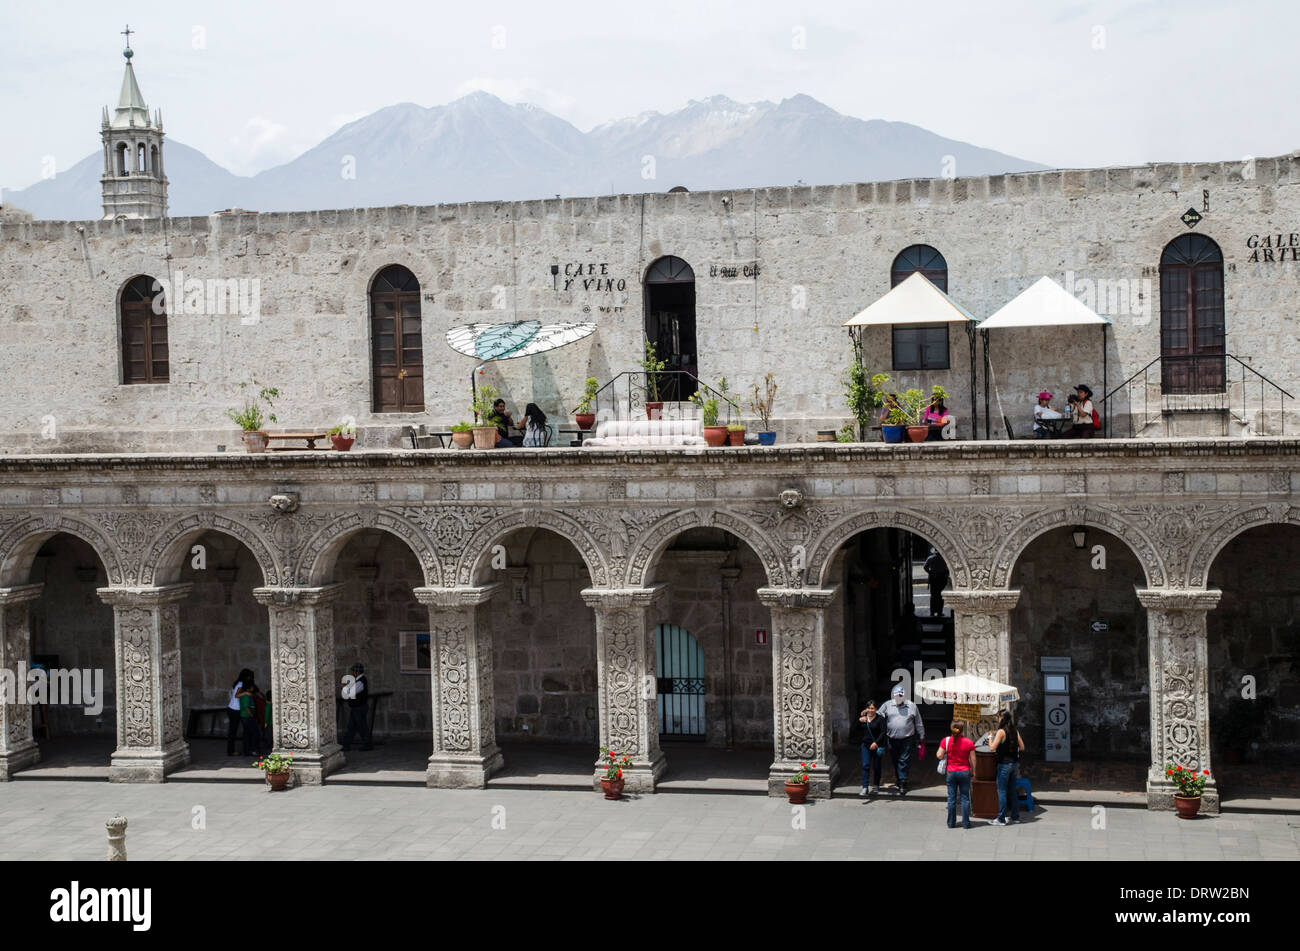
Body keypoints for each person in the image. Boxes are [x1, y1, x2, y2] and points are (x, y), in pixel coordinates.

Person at [880, 684, 925, 795]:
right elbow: (877, 716)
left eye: (900, 695)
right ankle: (899, 779)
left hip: (907, 738)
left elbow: (918, 722)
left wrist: (922, 736)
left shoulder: (912, 706)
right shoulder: (887, 705)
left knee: (903, 760)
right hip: (892, 738)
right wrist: (868, 715)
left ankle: (903, 783)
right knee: (895, 760)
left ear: (904, 695)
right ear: (893, 696)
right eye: (897, 695)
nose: (898, 697)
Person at [988, 709, 1026, 825]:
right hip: (1014, 764)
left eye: (998, 717)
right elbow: (1023, 747)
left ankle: (1001, 819)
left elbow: (992, 748)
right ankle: (1015, 817)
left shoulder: (1001, 731)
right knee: (1012, 791)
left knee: (1002, 791)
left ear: (1002, 718)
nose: (998, 719)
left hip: (1004, 764)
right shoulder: (1015, 730)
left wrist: (990, 737)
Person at [938, 719, 976, 828]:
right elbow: (973, 760)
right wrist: (974, 772)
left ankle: (951, 823)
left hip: (951, 772)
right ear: (962, 730)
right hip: (964, 772)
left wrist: (946, 753)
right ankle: (966, 823)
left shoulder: (946, 741)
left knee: (951, 798)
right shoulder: (968, 742)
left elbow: (939, 755)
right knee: (965, 798)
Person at [858, 700, 888, 797]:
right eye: (869, 708)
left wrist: (876, 743)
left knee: (876, 766)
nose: (871, 710)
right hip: (865, 745)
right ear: (866, 709)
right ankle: (865, 787)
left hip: (876, 746)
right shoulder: (863, 719)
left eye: (873, 708)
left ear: (876, 709)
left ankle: (876, 784)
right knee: (865, 765)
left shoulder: (880, 719)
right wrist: (859, 720)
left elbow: (883, 733)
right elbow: (856, 730)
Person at [340, 662, 372, 751]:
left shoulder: (361, 681)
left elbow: (351, 693)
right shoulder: (358, 681)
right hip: (356, 707)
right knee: (352, 726)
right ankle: (346, 744)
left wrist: (344, 688)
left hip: (359, 707)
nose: (352, 673)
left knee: (361, 726)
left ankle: (367, 743)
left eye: (353, 671)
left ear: (357, 672)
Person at [226, 668, 253, 757]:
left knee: (232, 731)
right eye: (249, 676)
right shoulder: (241, 684)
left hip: (231, 708)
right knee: (233, 731)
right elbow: (237, 695)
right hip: (235, 710)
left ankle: (231, 750)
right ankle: (231, 751)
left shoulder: (237, 683)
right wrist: (246, 693)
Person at [236, 677, 263, 757]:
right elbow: (246, 707)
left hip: (247, 717)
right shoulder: (246, 696)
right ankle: (253, 750)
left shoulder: (248, 694)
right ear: (249, 688)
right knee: (255, 733)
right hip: (247, 717)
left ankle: (247, 750)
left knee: (248, 734)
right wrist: (252, 715)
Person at [923, 548, 949, 616]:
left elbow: (925, 567)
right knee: (940, 596)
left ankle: (932, 612)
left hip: (933, 578)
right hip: (942, 578)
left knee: (933, 596)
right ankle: (939, 612)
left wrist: (930, 572)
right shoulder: (944, 559)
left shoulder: (930, 558)